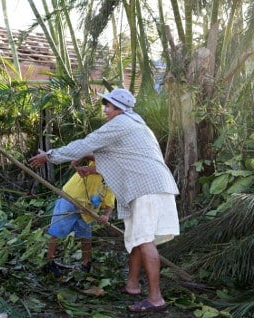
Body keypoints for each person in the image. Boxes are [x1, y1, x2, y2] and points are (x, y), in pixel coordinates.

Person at [29, 88, 179, 313]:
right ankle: (132, 285)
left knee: (145, 240)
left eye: (108, 106)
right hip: (155, 186)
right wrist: (85, 161)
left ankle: (156, 298)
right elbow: (118, 157)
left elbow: (85, 144)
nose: (105, 111)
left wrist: (49, 156)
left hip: (146, 188)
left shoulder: (120, 124)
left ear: (119, 109)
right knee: (140, 237)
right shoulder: (138, 125)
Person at [43, 159, 115, 276]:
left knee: (86, 235)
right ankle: (49, 261)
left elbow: (110, 203)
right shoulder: (99, 160)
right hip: (70, 199)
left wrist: (106, 216)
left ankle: (85, 264)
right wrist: (80, 161)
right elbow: (91, 155)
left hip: (88, 210)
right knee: (57, 230)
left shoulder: (111, 182)